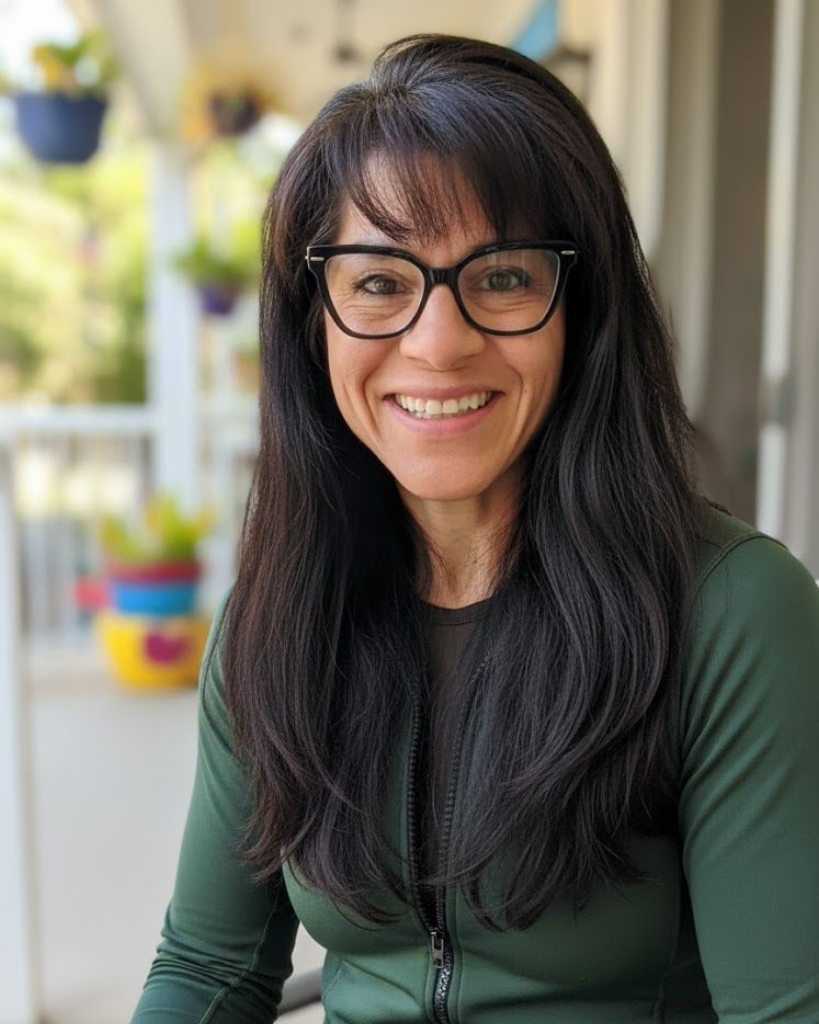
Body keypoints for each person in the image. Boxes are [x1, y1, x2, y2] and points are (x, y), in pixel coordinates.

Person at [130, 34, 819, 1024]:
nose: (439, 343)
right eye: (378, 281)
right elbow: (206, 965)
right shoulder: (277, 616)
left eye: (500, 276)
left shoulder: (733, 612)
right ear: (311, 319)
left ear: (581, 309)